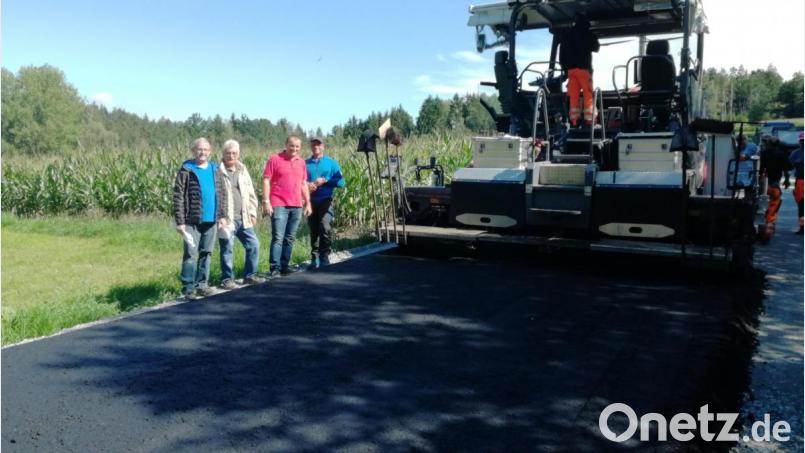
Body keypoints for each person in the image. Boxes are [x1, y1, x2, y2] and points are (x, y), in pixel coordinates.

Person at [173, 137, 228, 299]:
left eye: (205, 150)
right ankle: (188, 288)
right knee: (190, 253)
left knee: (206, 253)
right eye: (199, 149)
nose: (202, 152)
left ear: (210, 152)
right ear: (193, 151)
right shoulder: (187, 169)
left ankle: (202, 285)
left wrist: (222, 216)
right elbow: (178, 196)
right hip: (192, 220)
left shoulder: (215, 169)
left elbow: (222, 193)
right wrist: (180, 221)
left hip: (211, 220)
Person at [218, 139, 265, 288]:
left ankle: (249, 276)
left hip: (243, 217)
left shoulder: (242, 169)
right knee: (227, 249)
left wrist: (253, 213)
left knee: (254, 244)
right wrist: (219, 217)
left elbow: (251, 193)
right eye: (228, 153)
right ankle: (227, 279)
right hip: (227, 219)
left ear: (238, 154)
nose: (231, 156)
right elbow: (215, 195)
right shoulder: (217, 171)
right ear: (223, 154)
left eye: (234, 153)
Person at [262, 135, 312, 277]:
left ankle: (284, 266)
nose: (294, 149)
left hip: (296, 205)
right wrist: (266, 201)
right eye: (292, 145)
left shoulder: (301, 162)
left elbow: (303, 184)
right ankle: (275, 268)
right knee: (278, 237)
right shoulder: (275, 159)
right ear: (286, 145)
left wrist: (308, 202)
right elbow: (266, 180)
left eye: (297, 146)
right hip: (278, 204)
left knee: (290, 237)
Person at [305, 137, 345, 270]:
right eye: (314, 144)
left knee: (325, 226)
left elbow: (341, 182)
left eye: (318, 144)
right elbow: (298, 181)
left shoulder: (331, 163)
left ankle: (324, 256)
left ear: (323, 147)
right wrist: (307, 185)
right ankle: (314, 258)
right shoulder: (305, 164)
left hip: (325, 200)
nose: (316, 146)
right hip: (310, 201)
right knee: (314, 230)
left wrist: (325, 180)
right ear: (311, 146)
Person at [558, 14, 600, 127]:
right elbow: (596, 47)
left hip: (571, 71)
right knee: (588, 95)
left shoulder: (566, 35)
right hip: (583, 69)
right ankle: (590, 121)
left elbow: (561, 55)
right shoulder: (587, 34)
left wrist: (565, 70)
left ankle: (574, 121)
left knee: (573, 97)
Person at [760, 136, 791, 239]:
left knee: (761, 207)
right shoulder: (781, 154)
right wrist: (786, 180)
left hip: (764, 185)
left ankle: (763, 226)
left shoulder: (764, 153)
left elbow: (759, 170)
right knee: (773, 208)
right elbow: (787, 169)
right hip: (774, 186)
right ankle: (768, 229)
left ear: (769, 144)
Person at [789, 132, 804, 234]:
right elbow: (789, 166)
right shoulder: (795, 153)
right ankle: (802, 227)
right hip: (800, 181)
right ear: (799, 142)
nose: (803, 143)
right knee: (801, 205)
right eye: (802, 141)